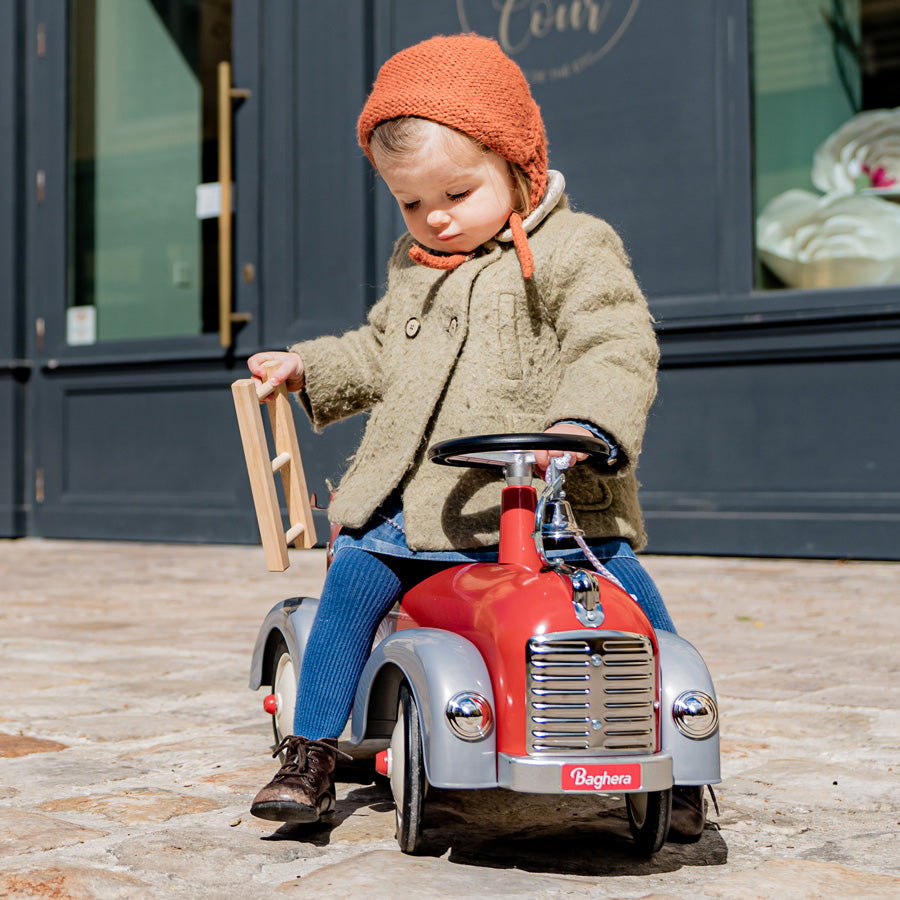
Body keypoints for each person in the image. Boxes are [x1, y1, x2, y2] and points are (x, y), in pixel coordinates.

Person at [246, 33, 705, 840]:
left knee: (630, 603)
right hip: (415, 503)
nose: (436, 217)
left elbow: (614, 341)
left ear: (519, 164)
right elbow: (379, 351)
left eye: (456, 192)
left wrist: (583, 426)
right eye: (412, 203)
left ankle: (679, 750)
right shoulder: (417, 264)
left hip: (552, 505)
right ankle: (312, 751)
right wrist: (308, 368)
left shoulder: (574, 248)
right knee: (352, 583)